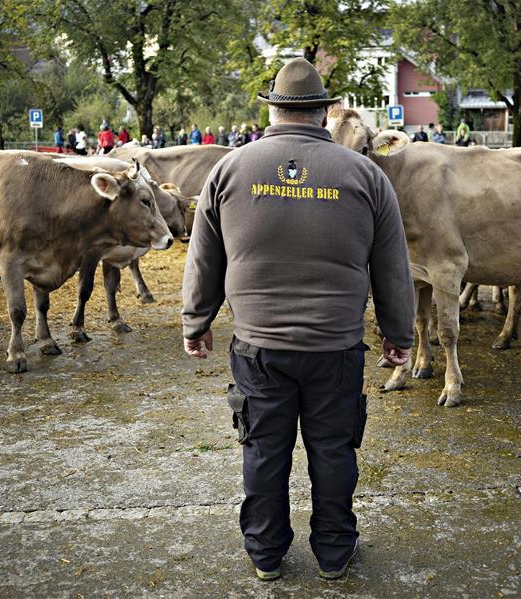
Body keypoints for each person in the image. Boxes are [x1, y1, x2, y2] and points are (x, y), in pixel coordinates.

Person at [181, 57, 414, 583]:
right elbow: (393, 269)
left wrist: (196, 322)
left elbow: (203, 260)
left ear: (274, 108)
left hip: (259, 347)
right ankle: (334, 553)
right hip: (336, 347)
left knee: (264, 450)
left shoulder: (229, 171)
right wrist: (399, 337)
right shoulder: (366, 176)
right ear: (323, 111)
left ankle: (265, 554)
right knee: (333, 450)